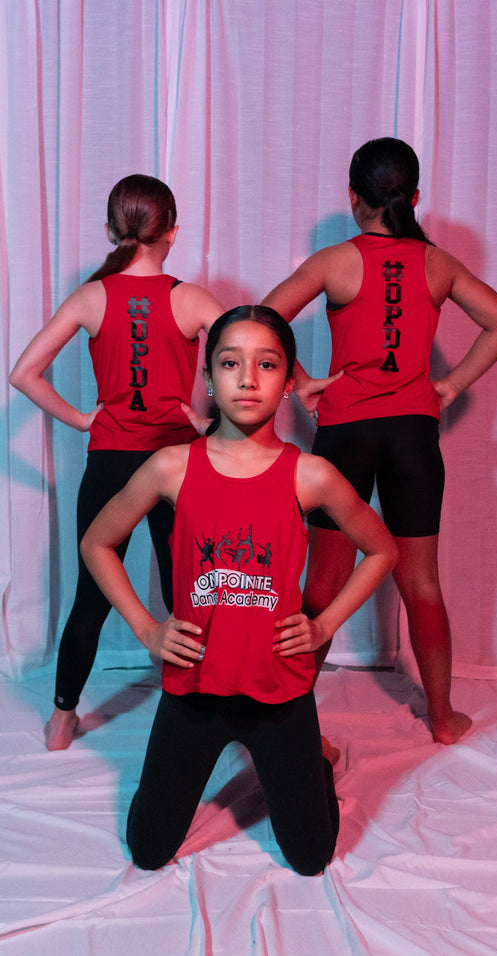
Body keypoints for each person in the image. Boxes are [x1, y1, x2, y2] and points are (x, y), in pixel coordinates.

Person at [80, 306, 397, 875]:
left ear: (289, 380)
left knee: (310, 859)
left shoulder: (310, 474)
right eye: (230, 363)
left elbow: (382, 549)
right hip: (195, 686)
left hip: (278, 690)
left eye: (266, 364)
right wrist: (147, 629)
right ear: (208, 378)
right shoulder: (171, 467)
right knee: (149, 852)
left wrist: (324, 625)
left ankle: (314, 760)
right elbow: (97, 543)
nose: (247, 378)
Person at [262, 137, 497, 746]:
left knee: (323, 585)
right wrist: (449, 385)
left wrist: (301, 386)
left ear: (354, 197)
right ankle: (442, 717)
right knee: (421, 583)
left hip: (346, 437)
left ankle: (288, 723)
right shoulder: (437, 263)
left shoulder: (335, 261)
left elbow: (261, 317)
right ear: (415, 197)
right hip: (412, 439)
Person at [9, 174, 223, 751]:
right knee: (192, 591)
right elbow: (252, 353)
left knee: (93, 592)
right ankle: (201, 713)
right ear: (173, 233)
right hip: (178, 465)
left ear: (111, 230)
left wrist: (84, 419)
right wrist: (208, 424)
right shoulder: (193, 298)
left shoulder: (91, 295)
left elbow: (22, 373)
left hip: (110, 463)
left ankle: (60, 721)